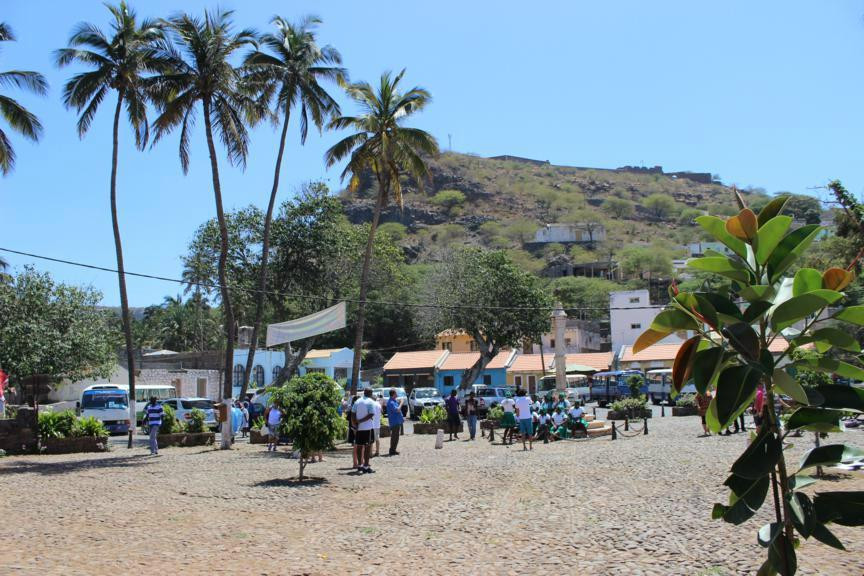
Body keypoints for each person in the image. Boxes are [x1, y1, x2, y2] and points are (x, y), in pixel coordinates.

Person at [352, 388, 377, 473]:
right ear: (370, 393)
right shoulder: (370, 402)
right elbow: (371, 414)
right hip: (368, 428)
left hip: (359, 428)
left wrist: (355, 424)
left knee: (359, 447)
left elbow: (353, 413)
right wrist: (361, 421)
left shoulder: (357, 401)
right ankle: (366, 466)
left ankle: (360, 465)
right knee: (367, 447)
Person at [386, 388, 404, 455]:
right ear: (393, 394)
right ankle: (392, 450)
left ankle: (393, 450)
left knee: (396, 437)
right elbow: (397, 410)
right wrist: (401, 403)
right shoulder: (391, 402)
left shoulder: (394, 401)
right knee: (394, 437)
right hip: (394, 422)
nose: (397, 394)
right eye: (396, 393)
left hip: (397, 421)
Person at [372, 393, 382, 457]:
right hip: (377, 424)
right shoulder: (378, 404)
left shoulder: (371, 404)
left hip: (372, 424)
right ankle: (377, 451)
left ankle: (370, 453)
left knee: (371, 439)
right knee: (377, 439)